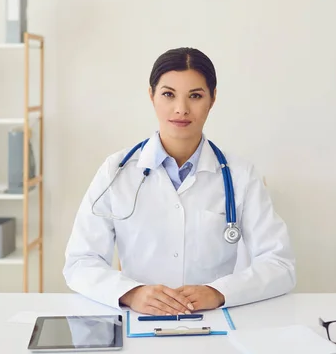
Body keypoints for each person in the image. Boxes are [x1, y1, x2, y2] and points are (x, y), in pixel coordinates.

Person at [63, 47, 296, 316]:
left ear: (212, 99)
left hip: (213, 321)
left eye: (195, 96)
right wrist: (130, 293)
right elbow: (80, 262)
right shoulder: (116, 171)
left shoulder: (240, 175)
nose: (181, 109)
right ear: (151, 96)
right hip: (139, 319)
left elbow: (280, 264)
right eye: (168, 94)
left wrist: (220, 292)